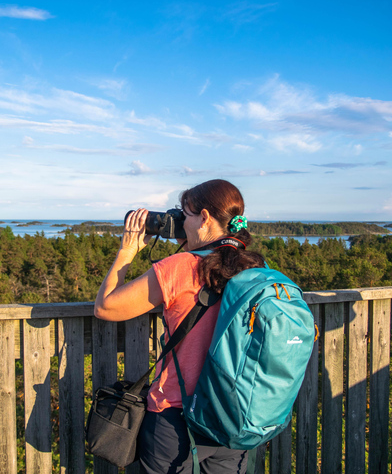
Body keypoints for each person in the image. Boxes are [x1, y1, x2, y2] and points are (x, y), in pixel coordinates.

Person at [94, 179, 265, 473]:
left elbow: (105, 307)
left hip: (177, 417)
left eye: (184, 215)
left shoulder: (180, 267)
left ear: (205, 218)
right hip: (232, 414)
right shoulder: (254, 267)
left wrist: (127, 251)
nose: (179, 222)